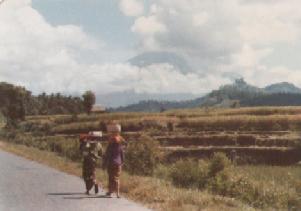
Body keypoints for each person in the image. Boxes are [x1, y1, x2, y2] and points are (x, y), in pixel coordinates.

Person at [103, 124, 126, 198]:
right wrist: (122, 163)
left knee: (111, 177)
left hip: (111, 163)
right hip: (118, 164)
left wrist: (104, 164)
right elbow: (122, 156)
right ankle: (118, 193)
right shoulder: (120, 147)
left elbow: (107, 156)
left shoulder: (110, 147)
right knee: (117, 178)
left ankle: (110, 192)